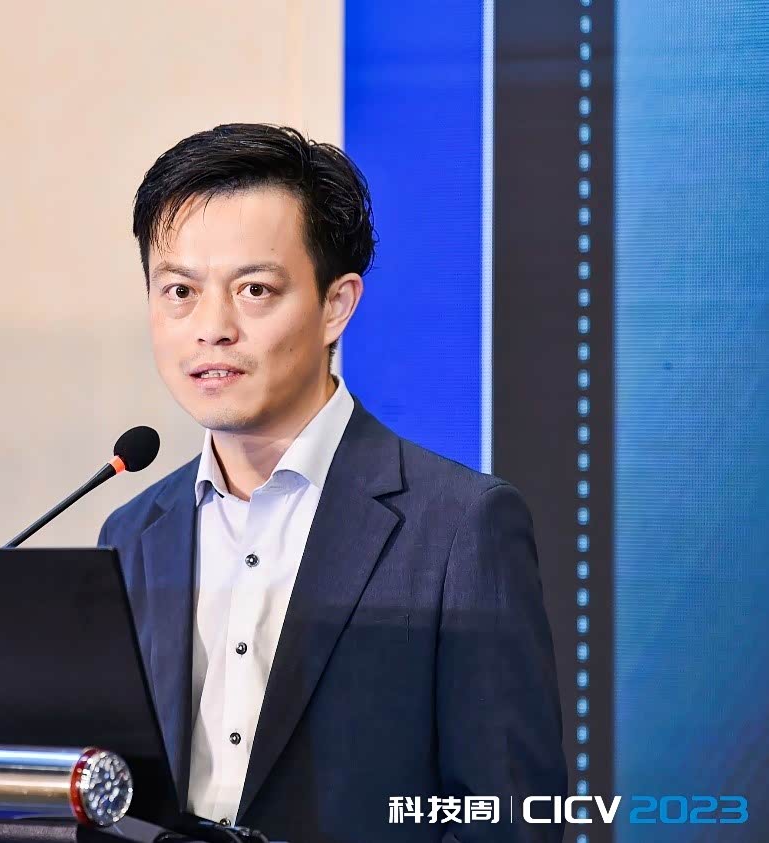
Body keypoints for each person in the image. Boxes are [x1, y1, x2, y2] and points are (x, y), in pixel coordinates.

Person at [98, 123, 566, 842]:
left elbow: (507, 818)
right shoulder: (132, 532)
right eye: (180, 291)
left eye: (254, 289)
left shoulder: (459, 527)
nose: (211, 327)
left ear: (335, 305)